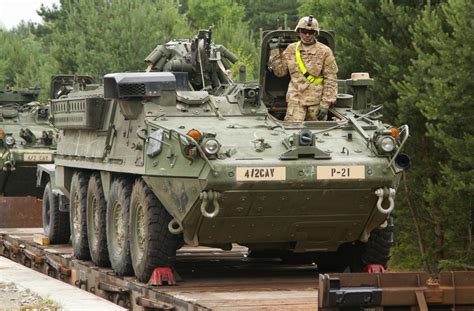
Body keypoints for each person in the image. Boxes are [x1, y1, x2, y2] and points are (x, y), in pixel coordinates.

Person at [268, 15, 338, 121]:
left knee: (320, 134)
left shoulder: (325, 51)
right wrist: (274, 51)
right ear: (299, 31)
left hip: (316, 102)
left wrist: (325, 104)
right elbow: (280, 72)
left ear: (315, 33)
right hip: (295, 101)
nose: (307, 35)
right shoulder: (291, 49)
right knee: (292, 133)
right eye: (304, 31)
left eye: (311, 32)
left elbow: (331, 79)